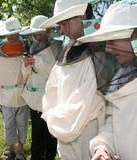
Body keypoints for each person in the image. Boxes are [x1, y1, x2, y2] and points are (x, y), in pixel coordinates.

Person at [39, 0, 115, 159]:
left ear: (82, 16)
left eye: (65, 23)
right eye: (60, 25)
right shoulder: (68, 49)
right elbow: (52, 88)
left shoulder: (99, 52)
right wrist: (55, 117)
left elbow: (85, 101)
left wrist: (56, 120)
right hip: (63, 134)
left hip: (91, 138)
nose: (62, 29)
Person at [77, 1, 137, 160]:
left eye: (113, 39)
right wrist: (102, 146)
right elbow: (114, 120)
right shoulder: (124, 73)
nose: (108, 48)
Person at [19, 15, 60, 160]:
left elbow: (55, 74)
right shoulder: (31, 47)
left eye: (41, 33)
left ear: (48, 31)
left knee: (50, 133)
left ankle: (49, 156)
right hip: (34, 100)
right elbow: (25, 76)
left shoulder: (56, 47)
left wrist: (38, 61)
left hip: (50, 99)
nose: (38, 37)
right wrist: (26, 65)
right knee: (36, 133)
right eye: (36, 34)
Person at [0, 17, 29, 160]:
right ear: (6, 35)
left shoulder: (26, 50)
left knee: (22, 123)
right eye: (10, 34)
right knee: (8, 123)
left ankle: (20, 149)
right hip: (6, 95)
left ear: (19, 33)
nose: (13, 36)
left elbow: (28, 73)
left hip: (22, 94)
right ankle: (9, 148)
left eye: (15, 33)